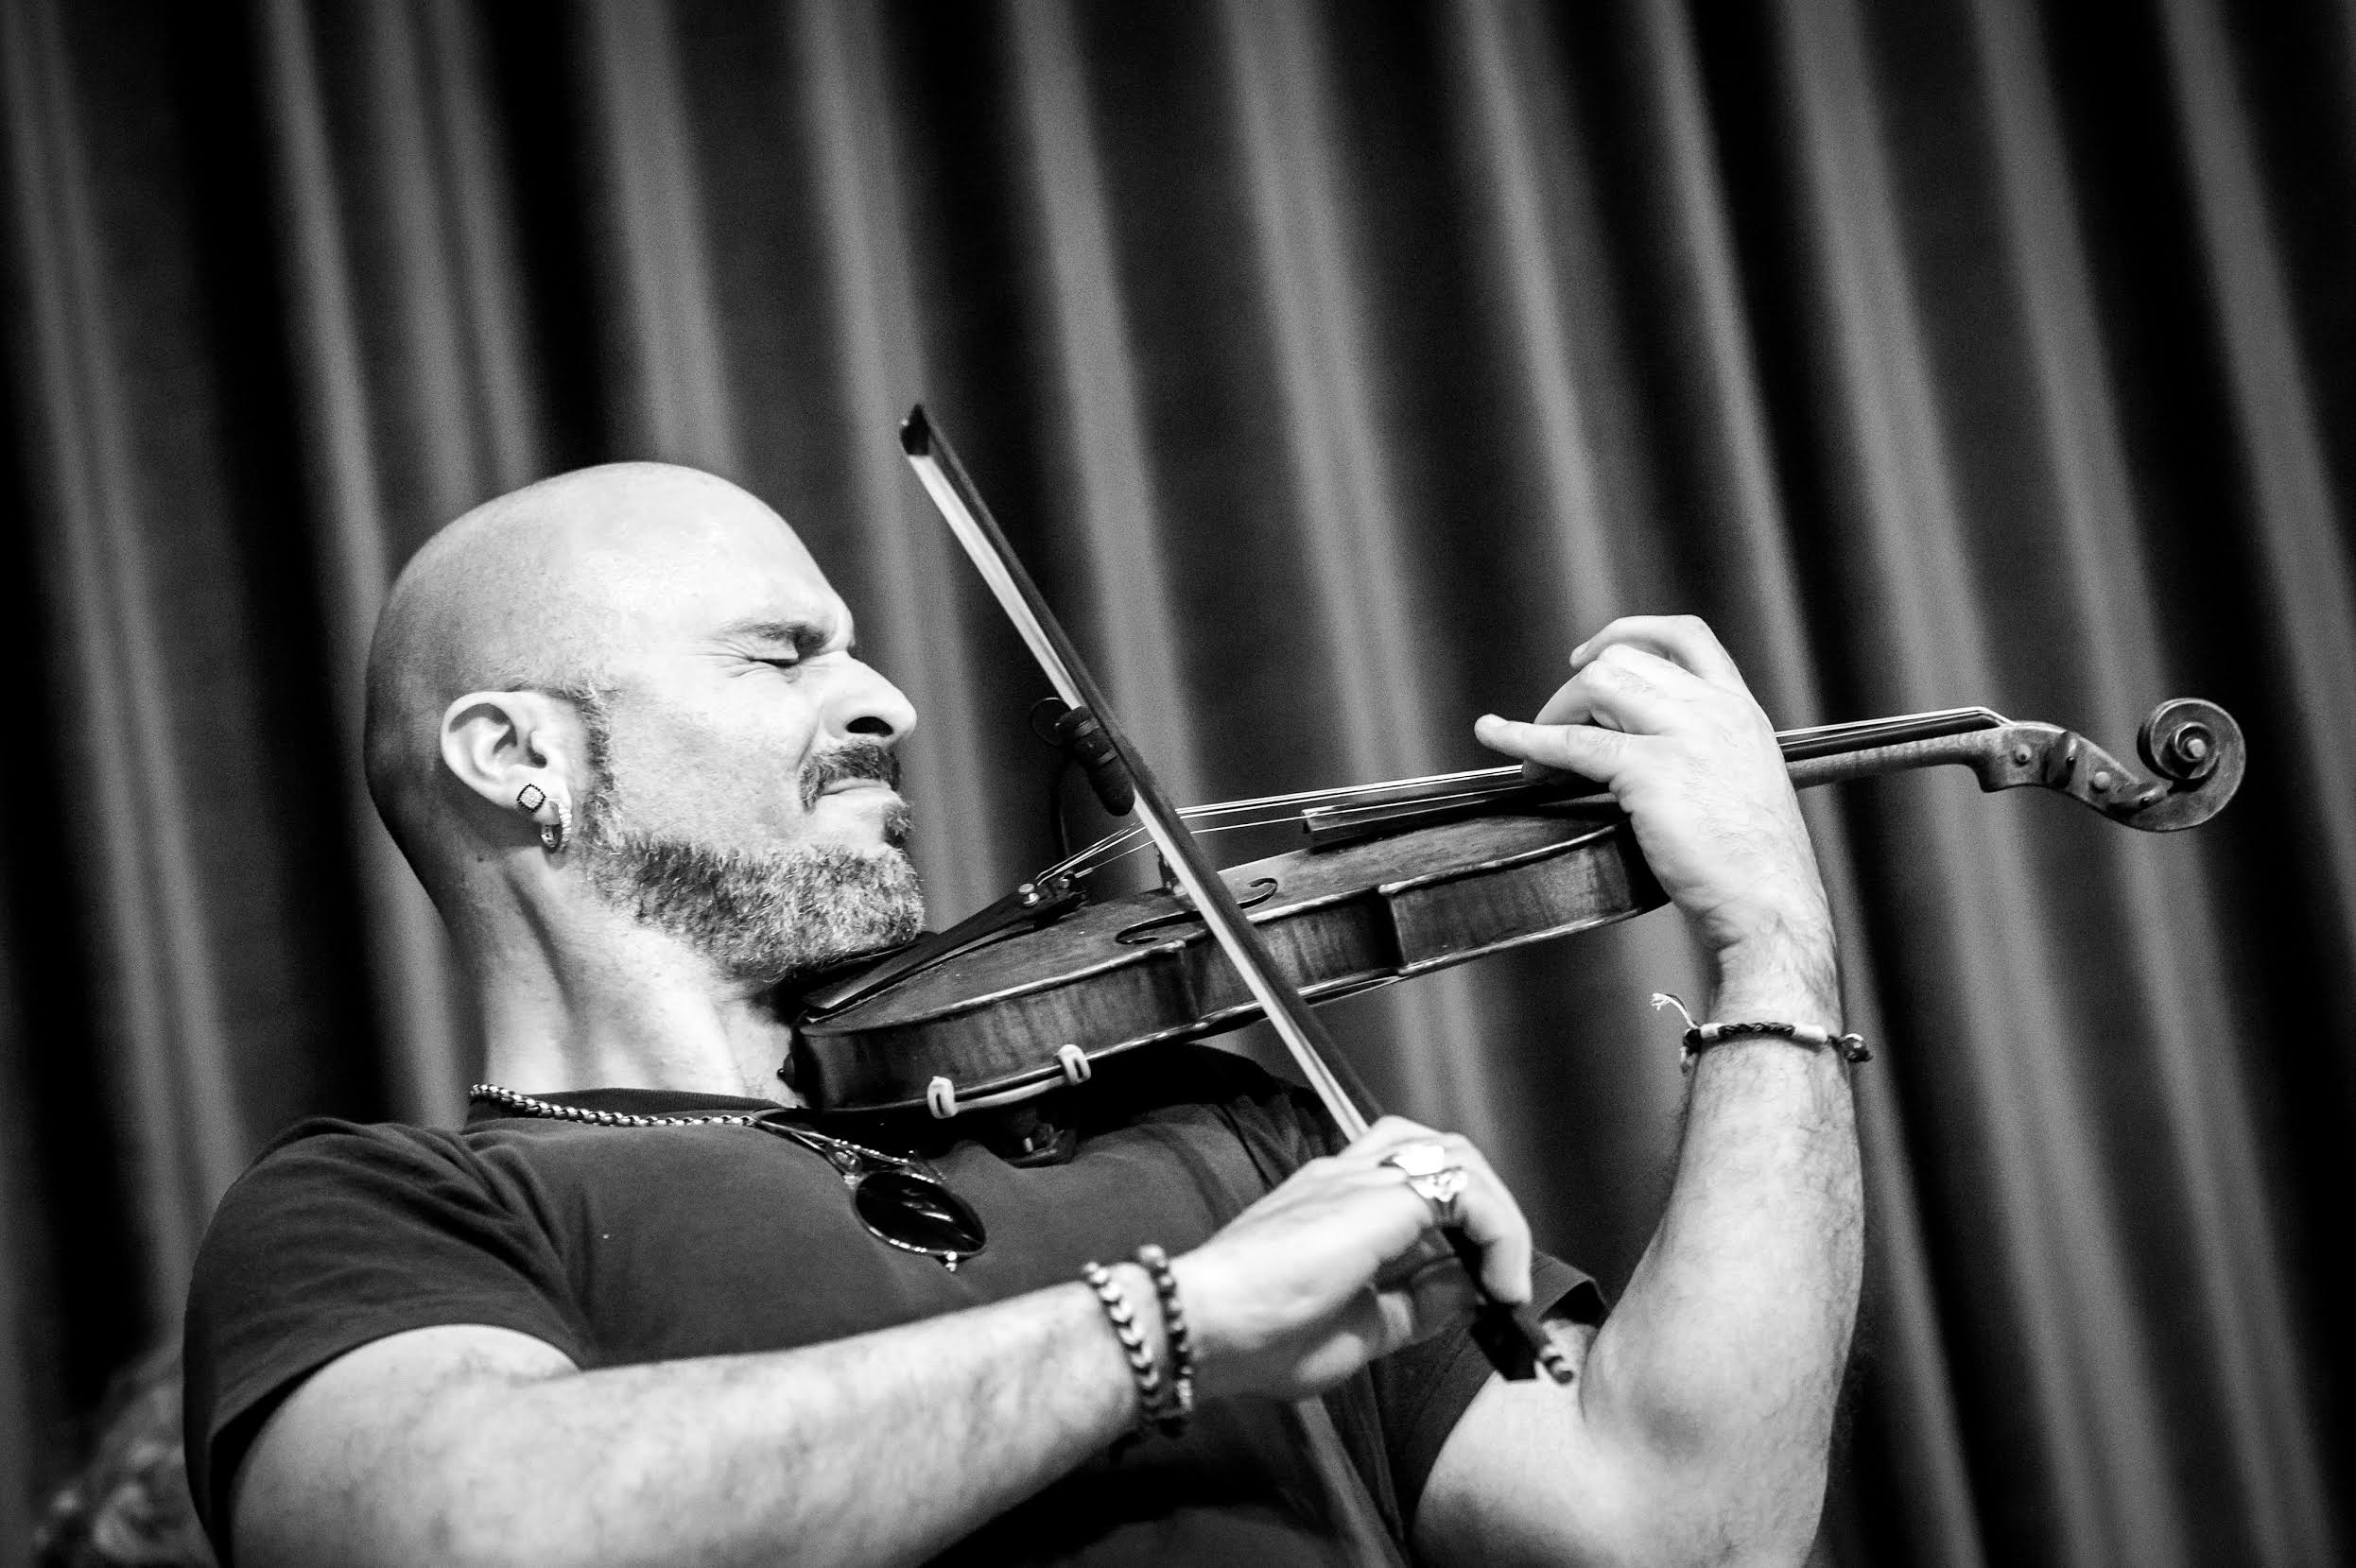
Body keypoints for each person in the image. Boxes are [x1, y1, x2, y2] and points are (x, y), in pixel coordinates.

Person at [182, 463, 1862, 1567]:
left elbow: (1686, 1528)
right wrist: (1164, 1325)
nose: (888, 700)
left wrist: (1773, 953)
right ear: (516, 757)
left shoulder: (1209, 1133)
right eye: (782, 656)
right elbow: (463, 1533)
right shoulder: (393, 1220)